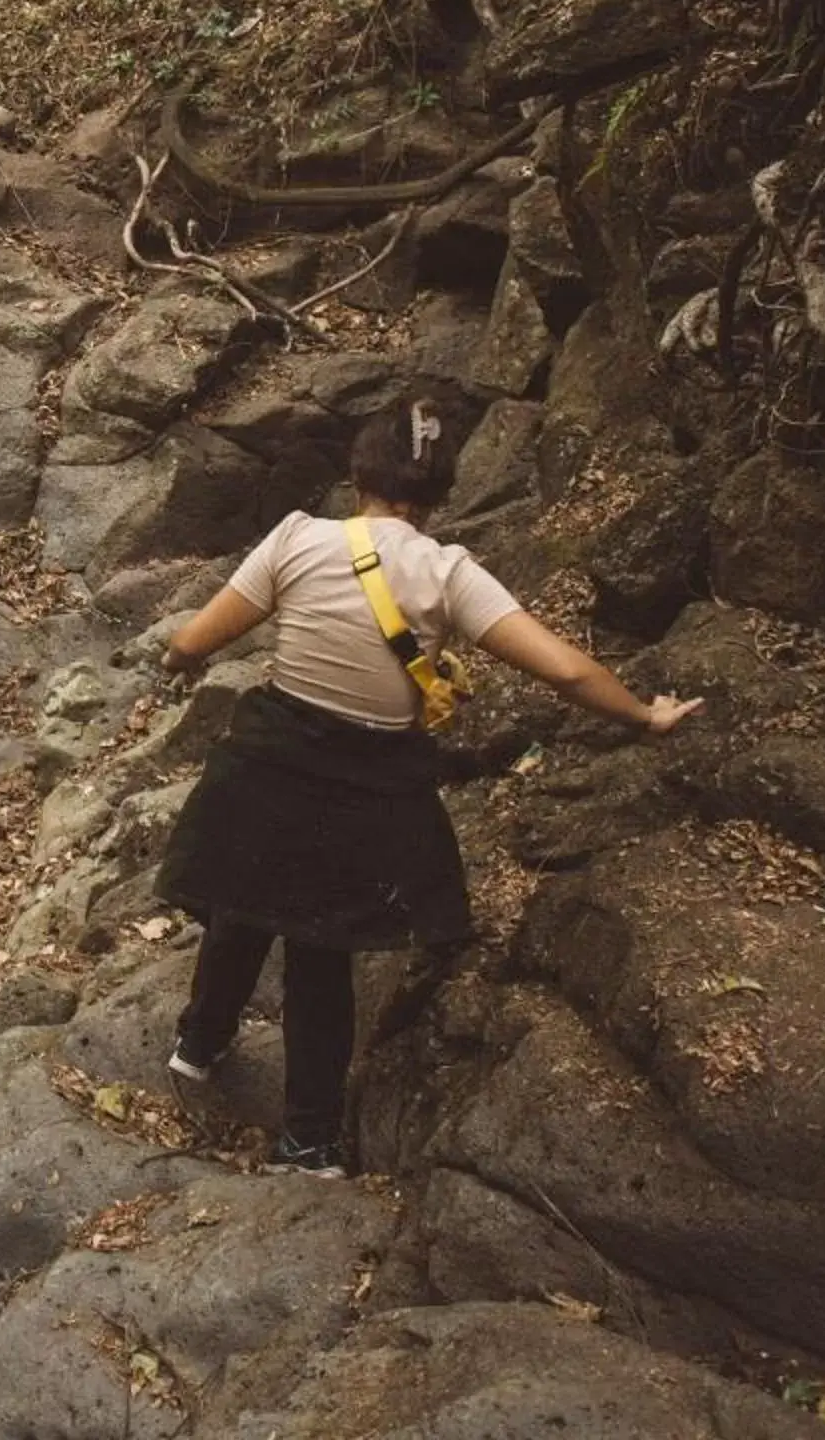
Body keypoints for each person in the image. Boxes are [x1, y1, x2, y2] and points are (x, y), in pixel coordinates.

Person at [150, 395, 700, 1177]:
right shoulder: (448, 574)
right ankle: (307, 1141)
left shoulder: (297, 539)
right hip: (365, 786)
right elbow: (566, 670)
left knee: (241, 907)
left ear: (357, 471)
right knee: (319, 955)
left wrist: (176, 663)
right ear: (438, 493)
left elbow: (194, 638)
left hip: (270, 764)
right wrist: (646, 715)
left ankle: (199, 1045)